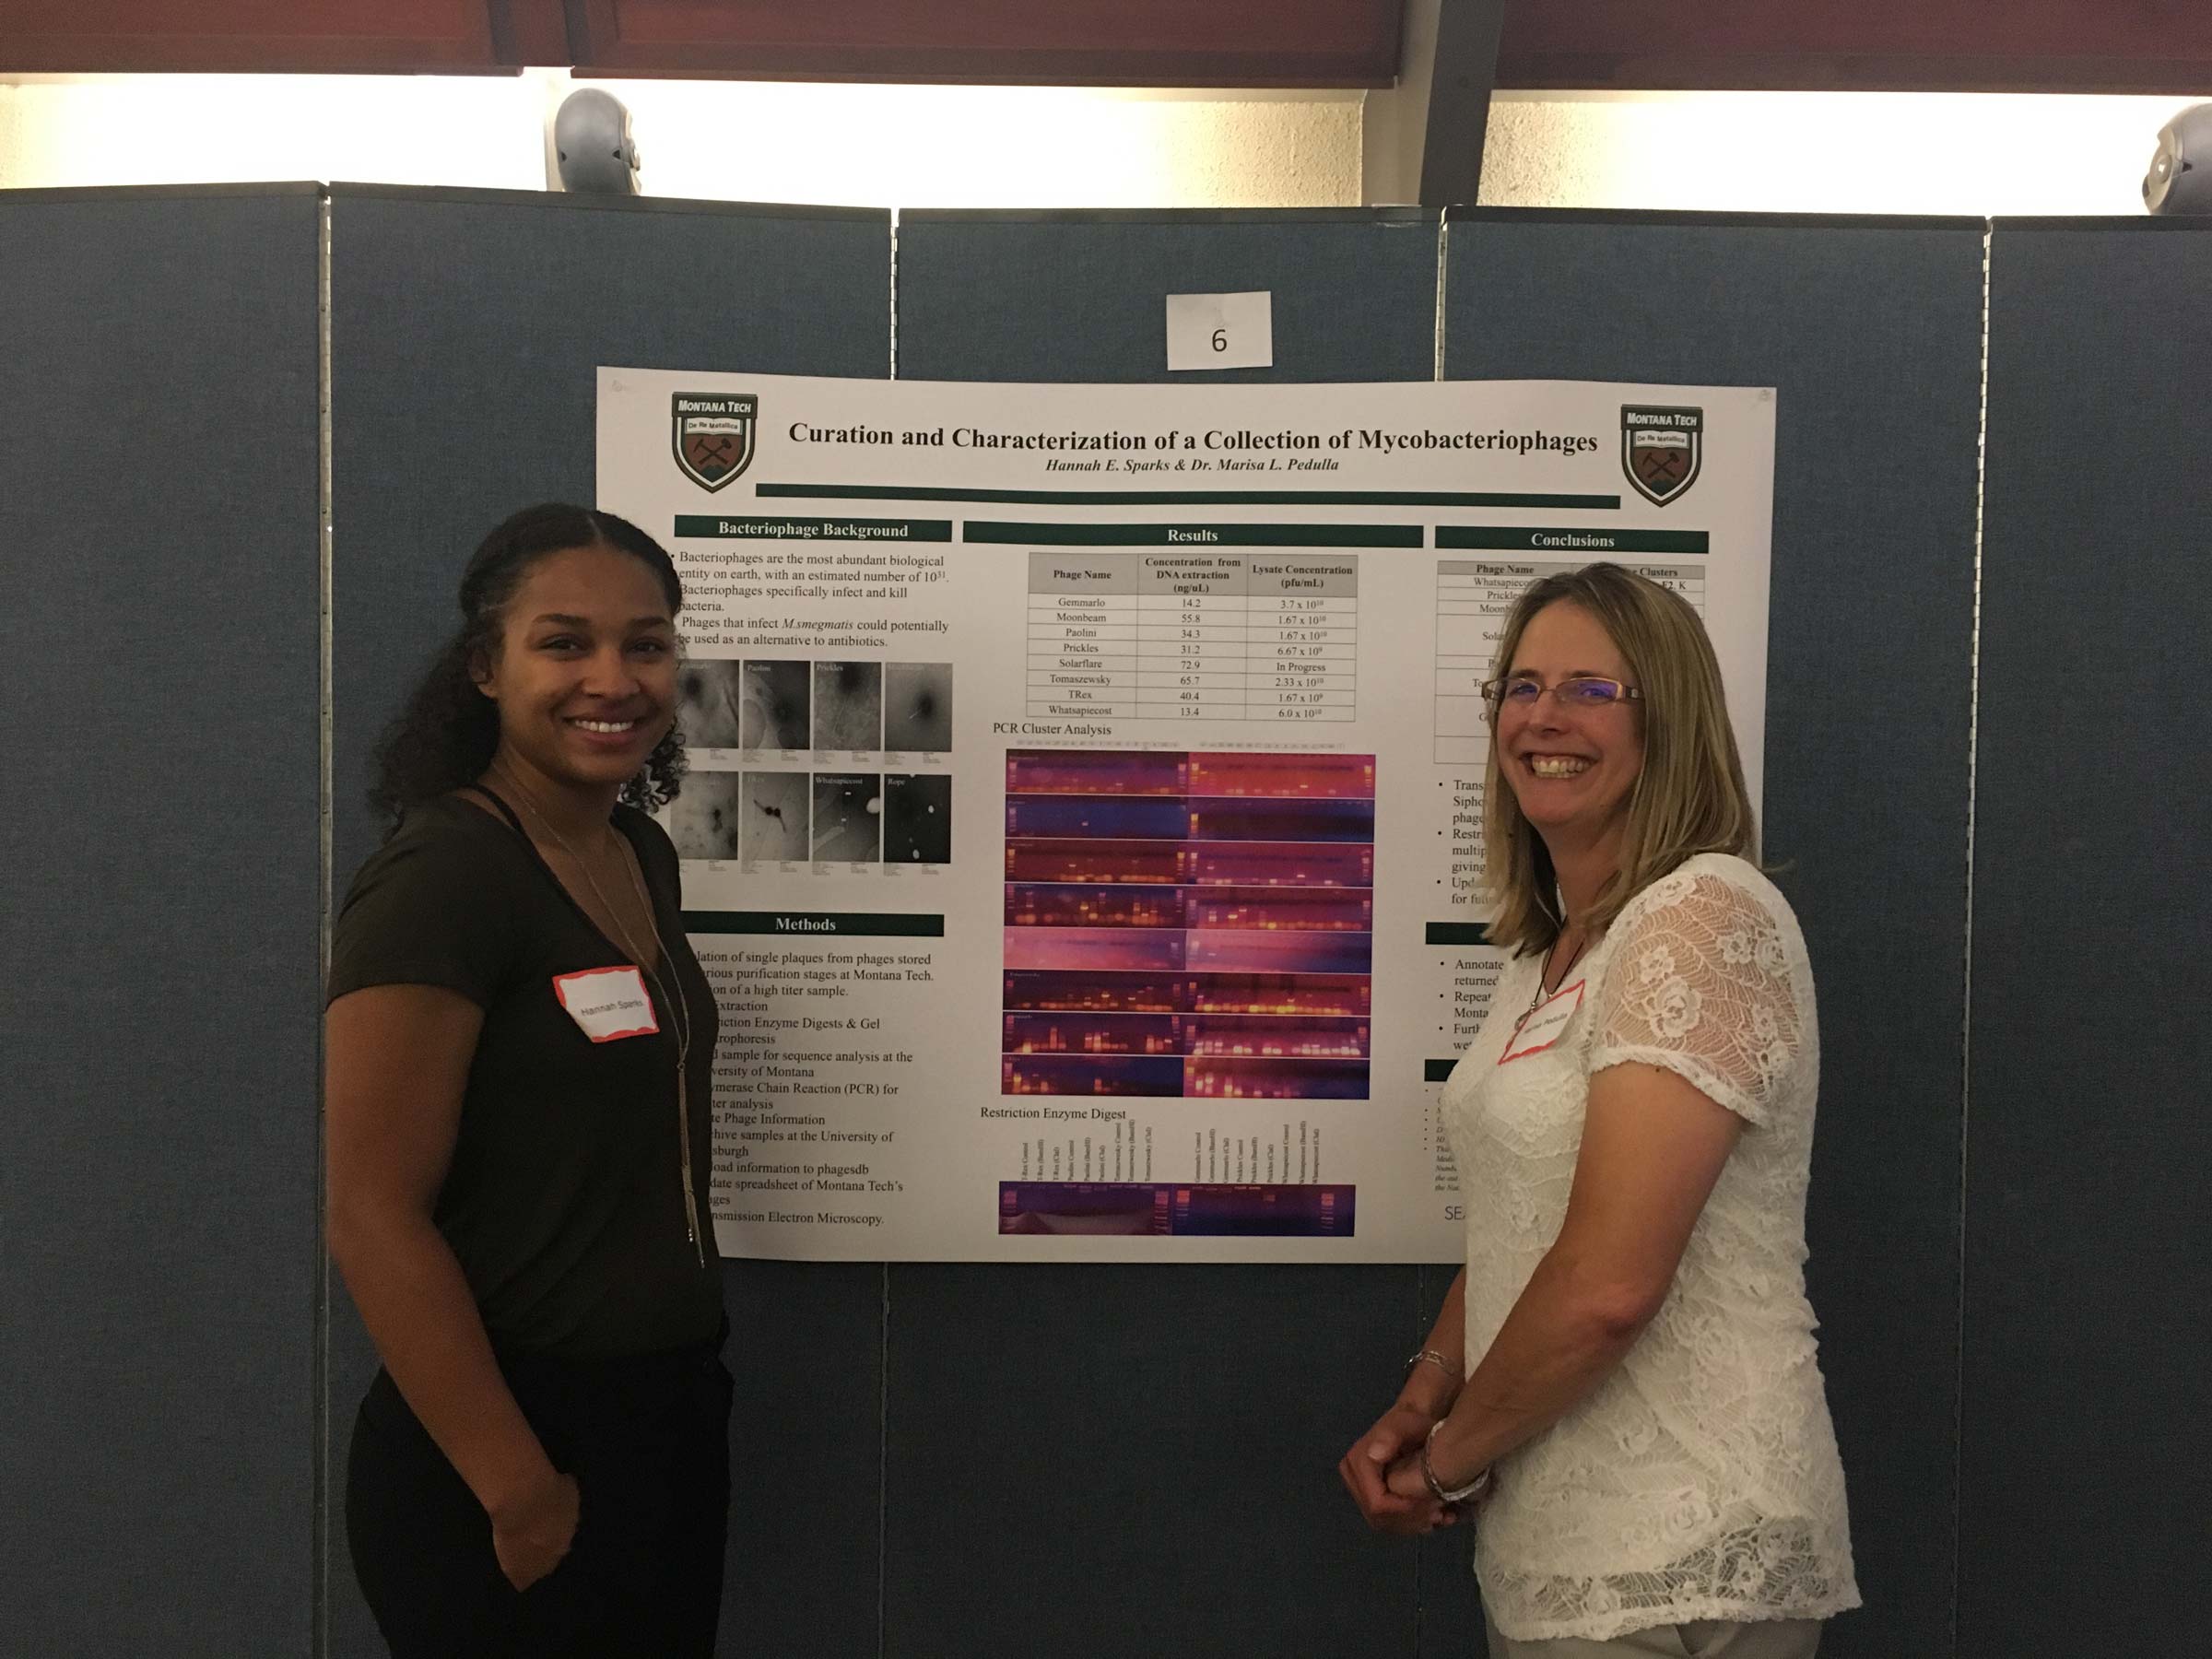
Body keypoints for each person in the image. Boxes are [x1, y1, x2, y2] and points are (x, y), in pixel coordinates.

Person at [1339, 564, 1858, 1656]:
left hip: (1686, 1550)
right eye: (1521, 687)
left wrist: (1448, 1464)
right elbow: (1529, 1224)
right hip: (1565, 1543)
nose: (1543, 718)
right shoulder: (1550, 953)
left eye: (1590, 689)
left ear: (1668, 720)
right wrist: (1429, 1391)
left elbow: (1608, 1287)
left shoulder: (1700, 918)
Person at [326, 503, 728, 1658]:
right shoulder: (443, 878)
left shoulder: (636, 852)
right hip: (511, 1447)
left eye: (645, 644)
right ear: (484, 668)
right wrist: (516, 1486)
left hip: (661, 1418)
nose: (613, 679)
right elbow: (371, 1212)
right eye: (564, 643)